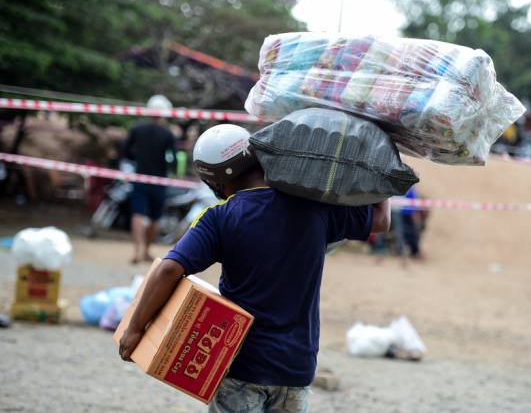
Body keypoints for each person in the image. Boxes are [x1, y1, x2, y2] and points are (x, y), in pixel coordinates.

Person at [118, 124, 390, 413]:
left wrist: (135, 329)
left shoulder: (220, 217)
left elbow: (169, 270)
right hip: (297, 368)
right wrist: (377, 161)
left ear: (216, 181)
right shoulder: (314, 207)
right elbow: (381, 221)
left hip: (242, 367)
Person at [123, 95, 177, 264]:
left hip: (140, 177)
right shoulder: (168, 134)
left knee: (137, 214)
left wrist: (137, 158)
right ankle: (146, 251)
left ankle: (137, 251)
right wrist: (173, 171)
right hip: (159, 180)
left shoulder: (137, 129)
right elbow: (173, 159)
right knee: (155, 216)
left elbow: (125, 149)